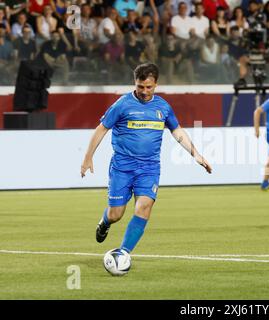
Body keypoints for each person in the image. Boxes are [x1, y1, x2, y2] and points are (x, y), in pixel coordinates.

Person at [80, 63, 212, 256]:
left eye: (148, 87)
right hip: (122, 167)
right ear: (135, 83)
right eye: (140, 87)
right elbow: (101, 129)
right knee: (116, 214)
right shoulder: (122, 104)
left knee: (144, 207)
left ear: (156, 84)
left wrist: (196, 154)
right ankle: (105, 222)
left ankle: (123, 254)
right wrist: (88, 157)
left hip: (149, 168)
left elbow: (177, 131)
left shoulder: (163, 107)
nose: (144, 91)